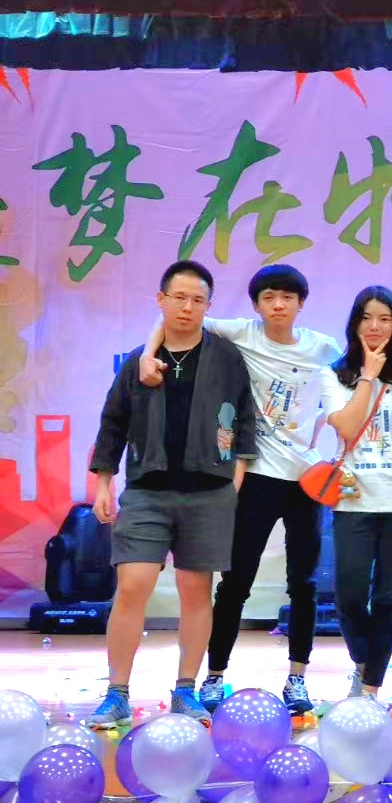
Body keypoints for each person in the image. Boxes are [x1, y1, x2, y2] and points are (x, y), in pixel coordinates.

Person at [140, 264, 341, 715]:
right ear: (256, 305)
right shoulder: (242, 333)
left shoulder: (323, 347)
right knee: (235, 583)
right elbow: (170, 321)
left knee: (304, 584)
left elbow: (356, 383)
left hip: (307, 480)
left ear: (301, 304)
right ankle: (214, 676)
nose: (278, 305)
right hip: (257, 475)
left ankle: (297, 678)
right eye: (269, 297)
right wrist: (147, 356)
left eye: (287, 298)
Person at [87, 261, 256, 729]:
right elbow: (113, 422)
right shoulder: (139, 360)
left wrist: (236, 478)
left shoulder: (226, 357)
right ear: (160, 300)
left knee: (196, 591)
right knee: (132, 585)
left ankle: (185, 690)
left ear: (208, 306)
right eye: (179, 297)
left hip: (209, 492)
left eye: (197, 299)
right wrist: (103, 482)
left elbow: (245, 417)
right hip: (148, 490)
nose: (187, 307)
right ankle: (116, 693)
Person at [318, 286, 392, 698]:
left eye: (384, 318)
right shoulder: (334, 375)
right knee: (349, 596)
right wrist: (367, 375)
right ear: (354, 323)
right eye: (366, 317)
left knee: (387, 598)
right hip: (351, 502)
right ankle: (364, 664)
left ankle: (371, 688)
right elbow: (347, 427)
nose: (375, 326)